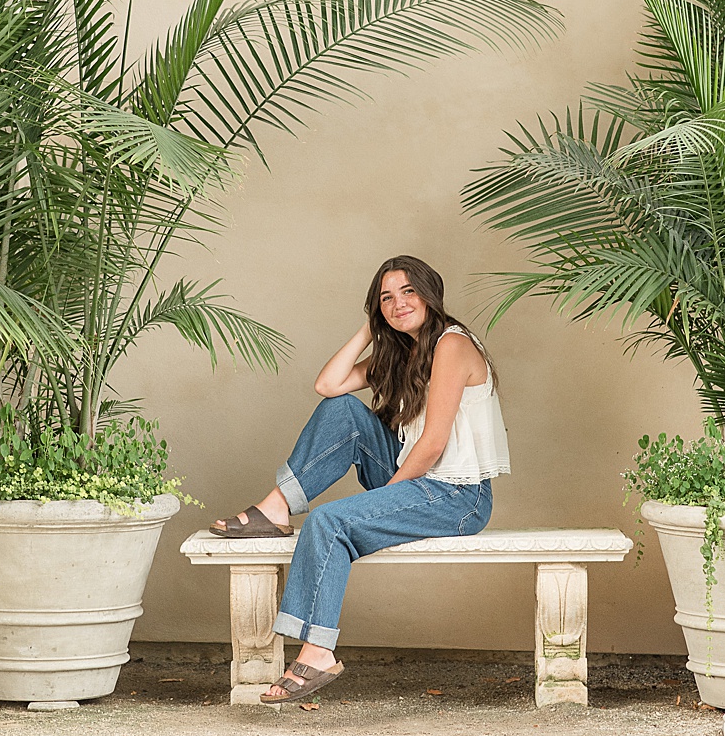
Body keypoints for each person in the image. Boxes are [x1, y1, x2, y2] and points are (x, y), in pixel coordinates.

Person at [209, 255, 511, 704]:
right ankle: (276, 508)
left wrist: (388, 499)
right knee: (344, 410)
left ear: (431, 293)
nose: (398, 303)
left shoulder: (452, 345)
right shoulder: (403, 351)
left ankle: (318, 652)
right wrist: (372, 327)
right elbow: (328, 386)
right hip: (420, 478)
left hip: (457, 494)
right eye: (386, 298)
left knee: (330, 522)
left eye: (408, 292)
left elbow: (431, 445)